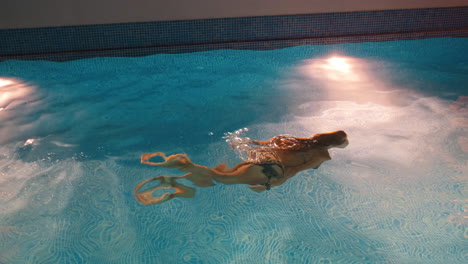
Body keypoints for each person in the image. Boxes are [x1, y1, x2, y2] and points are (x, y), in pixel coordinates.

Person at [134, 130, 348, 205]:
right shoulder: (322, 155)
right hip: (269, 170)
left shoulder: (293, 139)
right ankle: (185, 163)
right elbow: (294, 171)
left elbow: (263, 144)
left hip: (258, 159)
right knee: (223, 179)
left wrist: (246, 144)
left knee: (218, 178)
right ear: (333, 145)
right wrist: (271, 185)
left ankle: (175, 182)